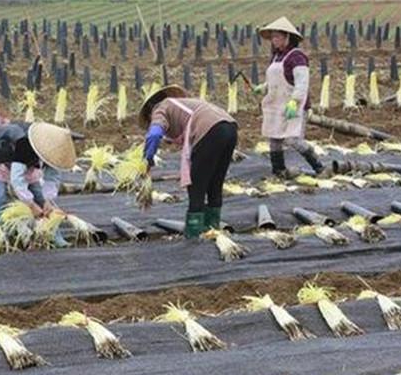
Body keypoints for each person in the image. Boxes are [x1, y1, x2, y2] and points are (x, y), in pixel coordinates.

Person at [139, 85, 238, 239]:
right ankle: (212, 229)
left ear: (150, 109)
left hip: (209, 130)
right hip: (230, 128)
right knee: (214, 183)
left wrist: (147, 158)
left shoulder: (160, 108)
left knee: (196, 186)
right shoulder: (184, 104)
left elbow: (154, 134)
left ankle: (194, 233)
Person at [0, 121, 76, 247]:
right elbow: (16, 180)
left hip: (28, 167)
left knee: (41, 198)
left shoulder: (53, 152)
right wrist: (31, 205)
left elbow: (52, 177)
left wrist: (48, 200)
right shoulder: (25, 144)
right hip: (0, 164)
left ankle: (55, 235)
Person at [254, 16, 324, 177]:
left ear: (287, 37)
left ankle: (319, 167)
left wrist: (294, 102)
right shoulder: (276, 57)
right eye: (272, 37)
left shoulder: (297, 56)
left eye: (277, 36)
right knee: (274, 139)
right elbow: (274, 80)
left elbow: (302, 83)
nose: (274, 40)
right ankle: (279, 171)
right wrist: (263, 87)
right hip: (276, 104)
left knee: (293, 140)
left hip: (294, 105)